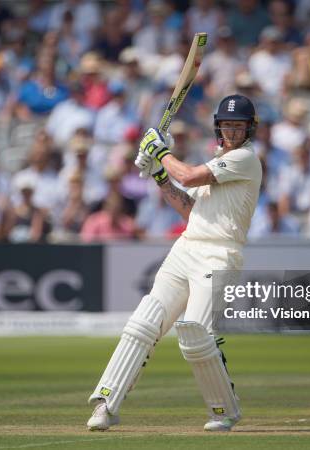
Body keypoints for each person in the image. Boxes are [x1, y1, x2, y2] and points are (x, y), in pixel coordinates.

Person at [86, 95, 262, 432]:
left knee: (195, 333)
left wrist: (160, 152)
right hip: (186, 248)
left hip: (219, 254)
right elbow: (189, 208)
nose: (233, 131)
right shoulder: (219, 160)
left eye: (239, 126)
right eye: (227, 125)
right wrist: (157, 174)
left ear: (249, 129)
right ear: (218, 127)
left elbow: (191, 176)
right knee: (144, 322)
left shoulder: (245, 159)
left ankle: (223, 410)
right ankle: (106, 404)